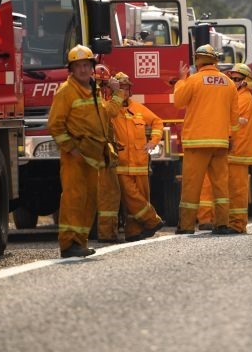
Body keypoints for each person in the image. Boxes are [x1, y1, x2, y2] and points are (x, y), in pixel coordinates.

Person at [48, 45, 123, 258]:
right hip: (76, 156)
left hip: (92, 154)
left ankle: (79, 242)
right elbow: (55, 124)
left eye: (86, 65)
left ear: (92, 67)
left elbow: (105, 115)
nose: (83, 69)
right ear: (71, 69)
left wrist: (117, 94)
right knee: (74, 198)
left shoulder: (93, 90)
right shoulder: (66, 92)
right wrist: (71, 149)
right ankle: (68, 244)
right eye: (78, 66)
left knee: (89, 200)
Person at [173, 44, 239, 234]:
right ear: (215, 60)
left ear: (197, 60)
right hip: (220, 142)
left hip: (196, 142)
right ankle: (222, 224)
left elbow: (179, 101)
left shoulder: (193, 81)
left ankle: (186, 226)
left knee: (192, 186)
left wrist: (180, 80)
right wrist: (231, 138)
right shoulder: (229, 83)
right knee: (220, 186)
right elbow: (235, 118)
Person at [110, 71, 166, 241]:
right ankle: (152, 220)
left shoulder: (138, 109)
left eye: (126, 88)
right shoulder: (111, 109)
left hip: (140, 163)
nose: (124, 92)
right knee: (131, 197)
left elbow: (157, 122)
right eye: (121, 88)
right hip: (121, 163)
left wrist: (154, 141)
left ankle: (133, 232)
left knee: (138, 198)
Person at [226, 63, 252, 234]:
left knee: (237, 190)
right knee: (230, 189)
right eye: (231, 78)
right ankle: (228, 222)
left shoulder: (244, 99)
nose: (233, 81)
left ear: (245, 81)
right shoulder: (236, 96)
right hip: (233, 151)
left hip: (239, 151)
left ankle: (238, 224)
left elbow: (234, 122)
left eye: (237, 79)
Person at [92, 63, 122, 243]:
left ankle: (105, 232)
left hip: (98, 149)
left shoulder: (91, 96)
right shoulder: (95, 97)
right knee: (108, 194)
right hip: (99, 151)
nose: (105, 89)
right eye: (103, 85)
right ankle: (106, 233)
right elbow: (110, 111)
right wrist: (117, 92)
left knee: (106, 193)